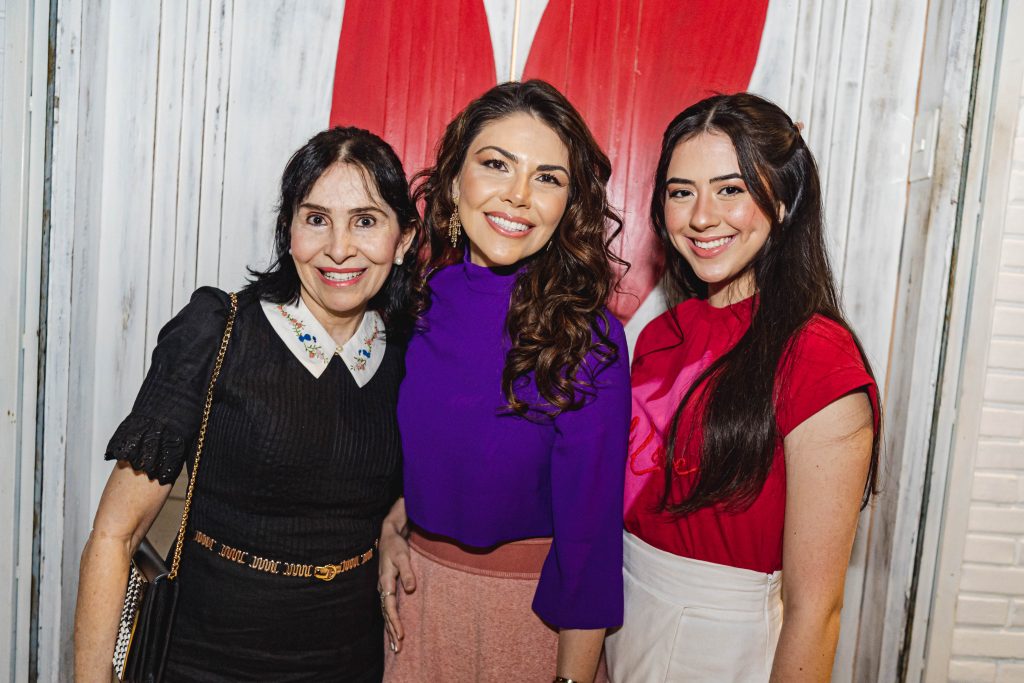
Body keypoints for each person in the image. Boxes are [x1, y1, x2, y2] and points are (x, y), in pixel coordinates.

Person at [74, 126, 422, 681]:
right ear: (289, 231)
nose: (339, 248)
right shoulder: (219, 330)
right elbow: (116, 535)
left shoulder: (410, 357)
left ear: (403, 239)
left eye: (365, 221)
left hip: (348, 660)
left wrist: (391, 528)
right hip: (204, 658)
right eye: (316, 219)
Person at [604, 93, 881, 682]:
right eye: (681, 192)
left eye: (730, 189)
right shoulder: (659, 336)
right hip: (622, 618)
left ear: (781, 201)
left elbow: (816, 609)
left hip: (723, 648)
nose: (702, 217)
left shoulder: (818, 357)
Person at [378, 80, 631, 683]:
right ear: (454, 181)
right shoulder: (417, 304)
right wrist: (392, 522)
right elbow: (442, 450)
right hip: (416, 607)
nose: (518, 195)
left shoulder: (589, 336)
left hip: (531, 623)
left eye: (547, 178)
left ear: (569, 204)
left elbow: (590, 543)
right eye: (496, 165)